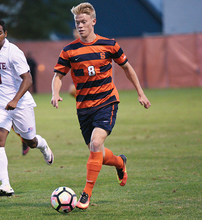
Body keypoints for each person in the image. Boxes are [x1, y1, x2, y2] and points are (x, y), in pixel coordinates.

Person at [51, 2, 151, 210]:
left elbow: (127, 68)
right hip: (83, 108)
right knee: (96, 149)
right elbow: (58, 75)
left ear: (93, 22)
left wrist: (140, 93)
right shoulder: (69, 50)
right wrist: (55, 92)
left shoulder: (109, 44)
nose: (80, 25)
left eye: (84, 21)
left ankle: (86, 194)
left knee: (96, 144)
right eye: (77, 22)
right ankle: (120, 162)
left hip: (107, 101)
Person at [0, 18, 54, 197]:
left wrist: (15, 100)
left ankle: (43, 146)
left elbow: (27, 79)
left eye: (0, 33)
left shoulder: (13, 52)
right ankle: (5, 185)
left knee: (30, 139)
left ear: (5, 34)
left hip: (20, 104)